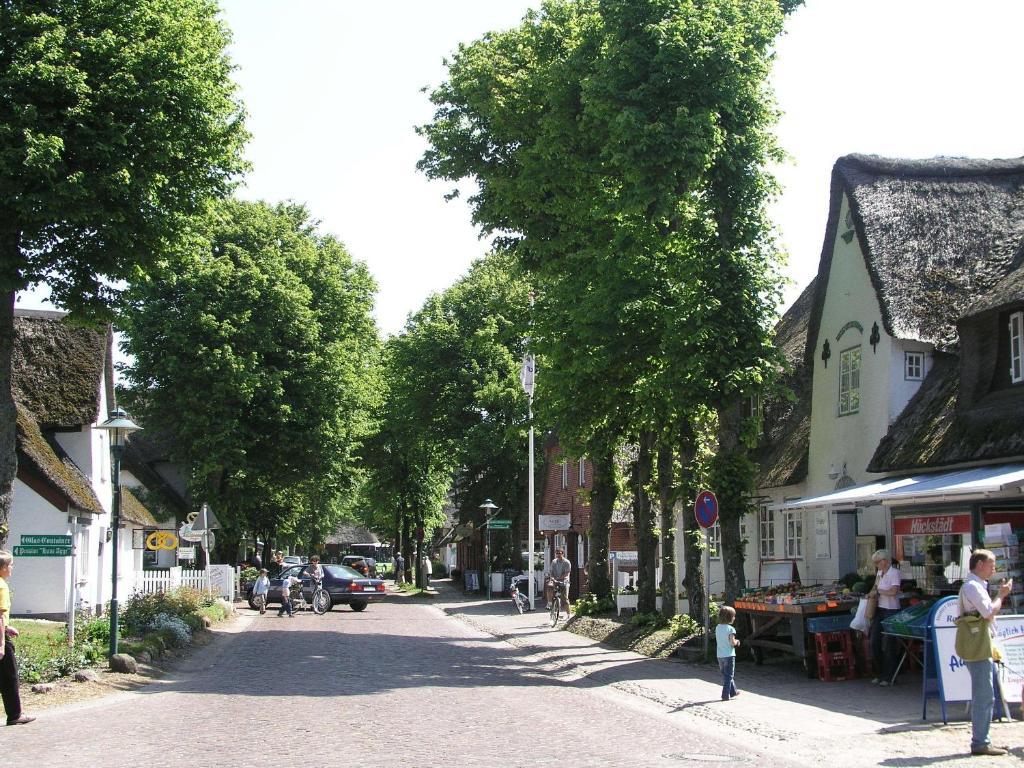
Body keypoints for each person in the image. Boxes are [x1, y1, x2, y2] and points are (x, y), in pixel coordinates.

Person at [959, 549, 1012, 757]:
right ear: (979, 565)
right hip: (977, 645)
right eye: (991, 564)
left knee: (985, 693)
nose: (994, 569)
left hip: (980, 643)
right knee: (984, 694)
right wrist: (1001, 595)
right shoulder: (972, 586)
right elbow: (989, 612)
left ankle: (983, 739)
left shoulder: (975, 585)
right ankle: (980, 742)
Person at [0, 551, 34, 726]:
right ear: (4, 568)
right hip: (0, 638)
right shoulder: (2, 586)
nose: (12, 568)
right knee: (10, 676)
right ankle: (15, 715)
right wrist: (1, 643)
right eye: (11, 565)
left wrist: (7, 626)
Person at [868, 549, 901, 686]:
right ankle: (879, 672)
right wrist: (871, 594)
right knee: (874, 641)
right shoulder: (879, 573)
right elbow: (875, 587)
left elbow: (894, 591)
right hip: (880, 609)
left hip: (891, 610)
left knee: (888, 643)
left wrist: (879, 591)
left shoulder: (894, 573)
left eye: (878, 562)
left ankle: (889, 675)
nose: (876, 565)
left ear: (885, 561)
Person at [716, 605, 741, 701]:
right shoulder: (731, 629)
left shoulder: (718, 628)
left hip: (719, 655)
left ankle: (733, 691)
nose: (734, 618)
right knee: (729, 676)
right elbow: (732, 642)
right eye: (733, 616)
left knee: (726, 674)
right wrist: (737, 642)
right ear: (730, 617)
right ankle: (725, 694)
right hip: (729, 655)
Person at [549, 548, 571, 619]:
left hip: (564, 582)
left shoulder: (566, 562)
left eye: (559, 553)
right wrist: (552, 578)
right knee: (550, 589)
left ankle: (568, 614)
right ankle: (550, 606)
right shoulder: (554, 562)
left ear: (563, 553)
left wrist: (558, 578)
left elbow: (567, 573)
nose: (558, 555)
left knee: (565, 599)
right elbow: (551, 572)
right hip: (555, 581)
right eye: (557, 553)